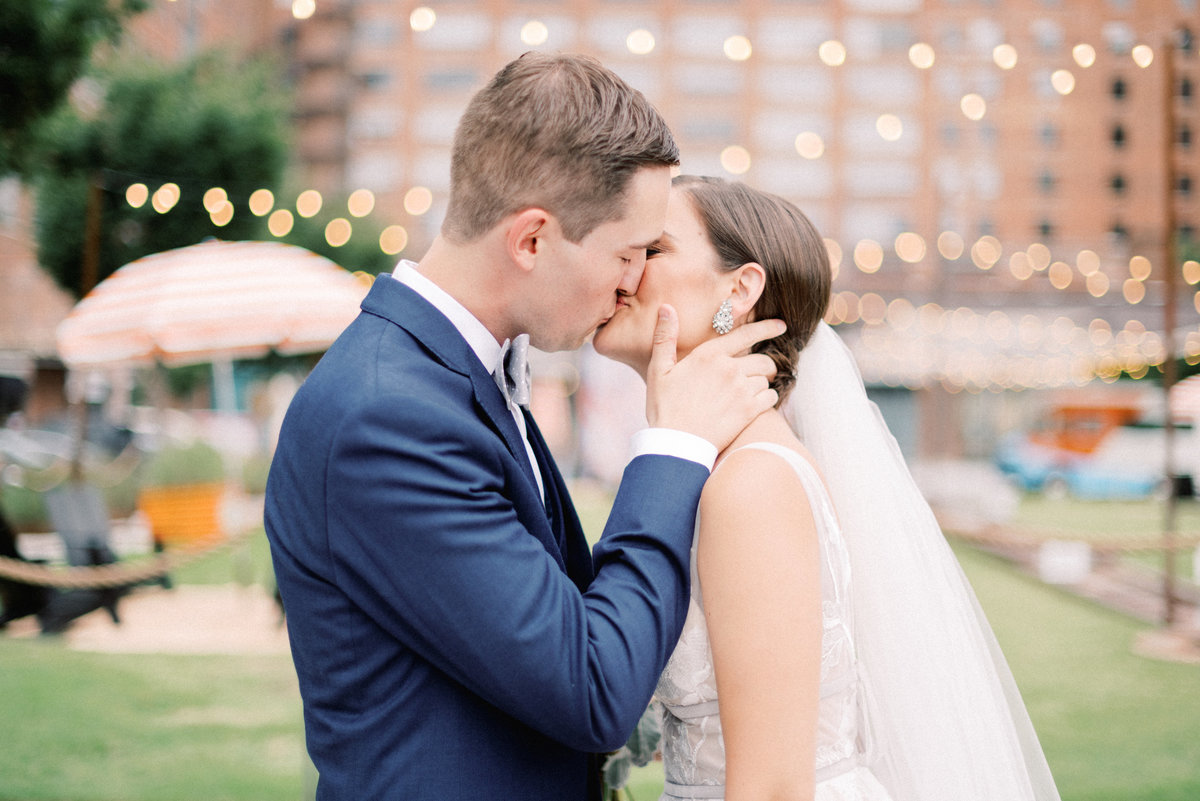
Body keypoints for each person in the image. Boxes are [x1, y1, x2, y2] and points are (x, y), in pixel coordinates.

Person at [263, 54, 784, 801]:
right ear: (532, 239)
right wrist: (675, 447)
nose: (634, 280)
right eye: (628, 251)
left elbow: (548, 615)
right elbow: (592, 686)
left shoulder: (458, 376)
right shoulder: (388, 418)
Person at [592, 175, 1061, 801]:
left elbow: (774, 789)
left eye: (653, 250)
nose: (624, 268)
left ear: (740, 289)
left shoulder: (751, 483)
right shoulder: (716, 469)